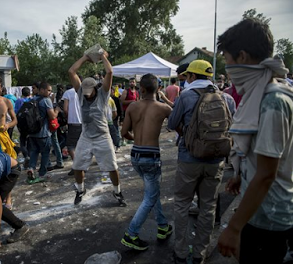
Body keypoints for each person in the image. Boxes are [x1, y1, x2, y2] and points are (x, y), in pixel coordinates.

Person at [216, 18, 293, 264]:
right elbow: (266, 160)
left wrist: (234, 228)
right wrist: (242, 174)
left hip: (269, 219)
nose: (227, 69)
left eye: (227, 60)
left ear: (242, 56)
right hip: (260, 209)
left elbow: (268, 174)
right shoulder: (261, 94)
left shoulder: (273, 101)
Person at [168, 60, 236, 264]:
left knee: (182, 204)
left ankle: (180, 253)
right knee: (208, 206)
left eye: (187, 76)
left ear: (191, 77)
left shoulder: (186, 96)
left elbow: (172, 123)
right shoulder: (227, 98)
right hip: (216, 160)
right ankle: (200, 254)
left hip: (189, 158)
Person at [120, 73, 173, 251]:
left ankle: (163, 226)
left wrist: (136, 138)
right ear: (158, 89)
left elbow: (124, 133)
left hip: (136, 154)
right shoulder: (164, 108)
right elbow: (177, 122)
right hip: (151, 157)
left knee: (152, 192)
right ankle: (131, 234)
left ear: (140, 89)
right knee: (149, 197)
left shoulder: (132, 107)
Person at [68, 50, 126, 206]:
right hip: (86, 136)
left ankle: (117, 191)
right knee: (77, 167)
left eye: (89, 92)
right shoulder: (80, 93)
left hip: (102, 136)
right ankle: (80, 190)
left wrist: (102, 57)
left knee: (112, 167)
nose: (86, 95)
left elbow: (110, 71)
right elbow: (71, 71)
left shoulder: (103, 94)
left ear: (95, 88)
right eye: (84, 92)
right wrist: (85, 58)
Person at [26, 82, 60, 180]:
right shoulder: (46, 100)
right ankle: (42, 173)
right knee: (45, 153)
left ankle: (31, 168)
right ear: (42, 90)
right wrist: (57, 110)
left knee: (34, 151)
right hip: (43, 132)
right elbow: (52, 116)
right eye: (48, 90)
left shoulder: (32, 99)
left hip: (32, 132)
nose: (49, 92)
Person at [62, 85, 82, 176]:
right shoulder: (86, 90)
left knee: (70, 145)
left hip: (73, 122)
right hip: (85, 122)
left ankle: (77, 166)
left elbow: (65, 109)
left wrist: (67, 117)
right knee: (82, 145)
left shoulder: (68, 92)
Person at [120, 77, 140, 146]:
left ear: (135, 83)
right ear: (129, 83)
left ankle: (129, 139)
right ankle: (122, 140)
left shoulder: (136, 92)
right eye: (130, 82)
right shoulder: (126, 91)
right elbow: (122, 101)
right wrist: (132, 101)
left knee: (132, 125)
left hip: (134, 111)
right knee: (125, 125)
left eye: (133, 82)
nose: (132, 83)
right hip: (126, 111)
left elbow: (137, 101)